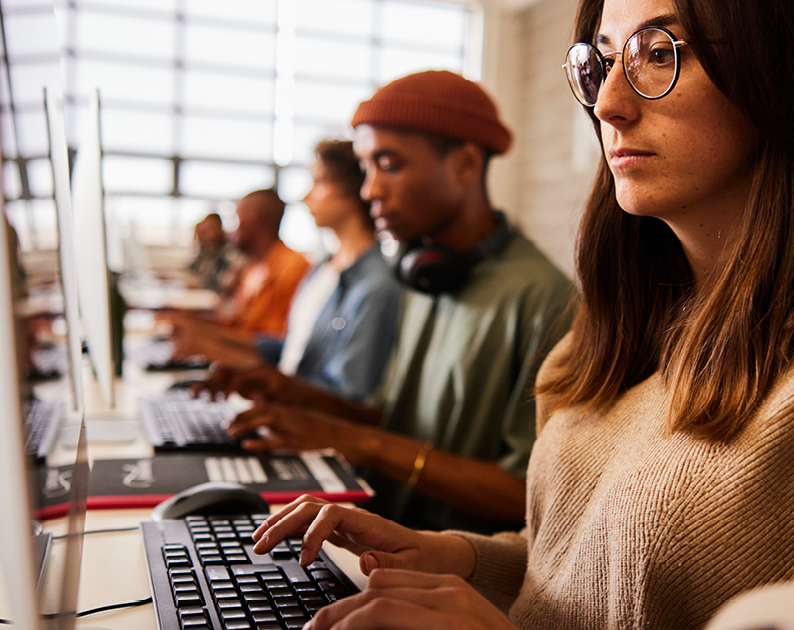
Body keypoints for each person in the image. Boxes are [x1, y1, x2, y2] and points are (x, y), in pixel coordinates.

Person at [240, 0, 794, 628]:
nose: (610, 104)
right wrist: (451, 558)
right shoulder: (641, 320)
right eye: (600, 64)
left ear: (786, 70)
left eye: (659, 54)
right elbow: (586, 574)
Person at [198, 71, 576, 534]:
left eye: (389, 164)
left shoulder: (544, 299)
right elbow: (395, 418)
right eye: (366, 166)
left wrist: (360, 441)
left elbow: (527, 491)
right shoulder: (425, 275)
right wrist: (293, 394)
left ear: (464, 164)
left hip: (452, 568)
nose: (369, 190)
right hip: (381, 533)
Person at [254, 138, 406, 403]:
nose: (306, 196)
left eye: (319, 182)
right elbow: (294, 353)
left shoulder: (377, 286)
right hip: (283, 408)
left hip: (302, 422)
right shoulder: (322, 267)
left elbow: (349, 394)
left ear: (354, 191)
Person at [167, 189, 309, 366]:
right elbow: (240, 324)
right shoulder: (251, 266)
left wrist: (210, 340)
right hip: (235, 362)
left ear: (253, 218)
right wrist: (195, 323)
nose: (230, 229)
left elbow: (276, 344)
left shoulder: (293, 268)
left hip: (256, 372)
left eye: (236, 218)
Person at [186, 212, 245, 296]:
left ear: (220, 229)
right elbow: (191, 270)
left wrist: (200, 284)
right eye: (203, 231)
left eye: (209, 229)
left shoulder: (229, 253)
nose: (206, 234)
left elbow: (225, 285)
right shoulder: (207, 251)